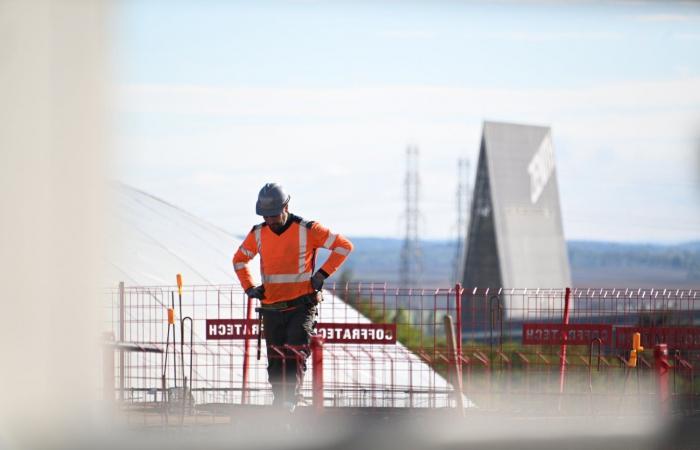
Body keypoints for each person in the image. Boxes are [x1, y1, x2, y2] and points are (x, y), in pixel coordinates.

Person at [232, 182, 353, 411]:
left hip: (301, 307)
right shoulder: (258, 233)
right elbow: (239, 260)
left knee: (295, 356)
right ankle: (281, 405)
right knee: (276, 362)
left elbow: (344, 246)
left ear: (286, 206)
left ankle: (290, 403)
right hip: (271, 309)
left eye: (274, 214)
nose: (270, 220)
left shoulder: (308, 229)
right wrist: (249, 287)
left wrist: (322, 274)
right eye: (265, 215)